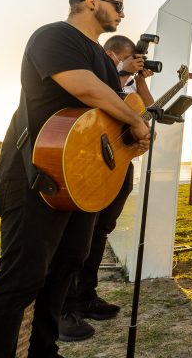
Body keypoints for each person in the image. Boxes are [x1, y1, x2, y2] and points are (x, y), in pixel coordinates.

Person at [0, 0, 151, 358]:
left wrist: (129, 146)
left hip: (81, 184)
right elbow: (85, 89)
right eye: (117, 5)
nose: (122, 13)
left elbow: (104, 123)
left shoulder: (103, 57)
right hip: (36, 177)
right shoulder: (53, 37)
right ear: (89, 2)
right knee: (20, 281)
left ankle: (44, 351)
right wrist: (135, 121)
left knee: (64, 271)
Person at [58, 35, 155, 341]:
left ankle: (87, 296)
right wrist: (123, 72)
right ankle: (64, 308)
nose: (132, 63)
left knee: (101, 230)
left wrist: (138, 79)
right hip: (89, 163)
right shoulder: (99, 74)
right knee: (77, 236)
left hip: (119, 163)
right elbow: (97, 99)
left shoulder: (128, 83)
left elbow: (148, 111)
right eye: (127, 58)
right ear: (111, 55)